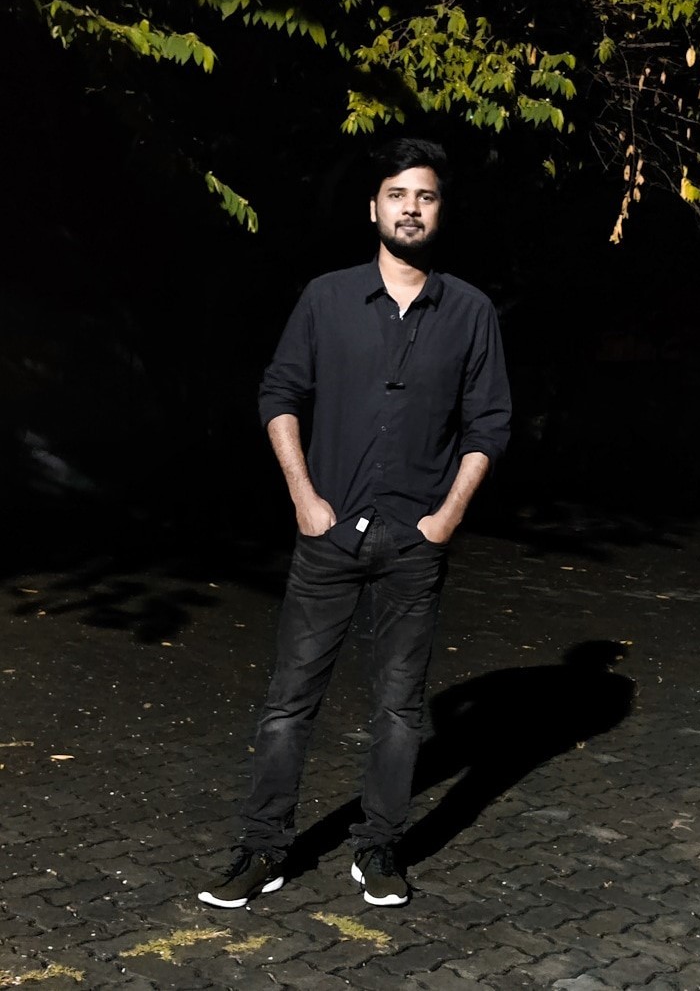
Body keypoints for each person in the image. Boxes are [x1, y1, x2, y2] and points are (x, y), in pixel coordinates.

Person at [198, 137, 511, 910]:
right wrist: (303, 498)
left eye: (425, 196)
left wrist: (445, 517)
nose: (411, 207)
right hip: (328, 536)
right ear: (373, 208)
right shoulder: (326, 297)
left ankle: (378, 846)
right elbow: (279, 395)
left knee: (400, 711)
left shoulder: (469, 311)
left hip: (413, 542)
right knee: (288, 702)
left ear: (440, 211)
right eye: (397, 194)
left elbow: (489, 424)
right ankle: (263, 849)